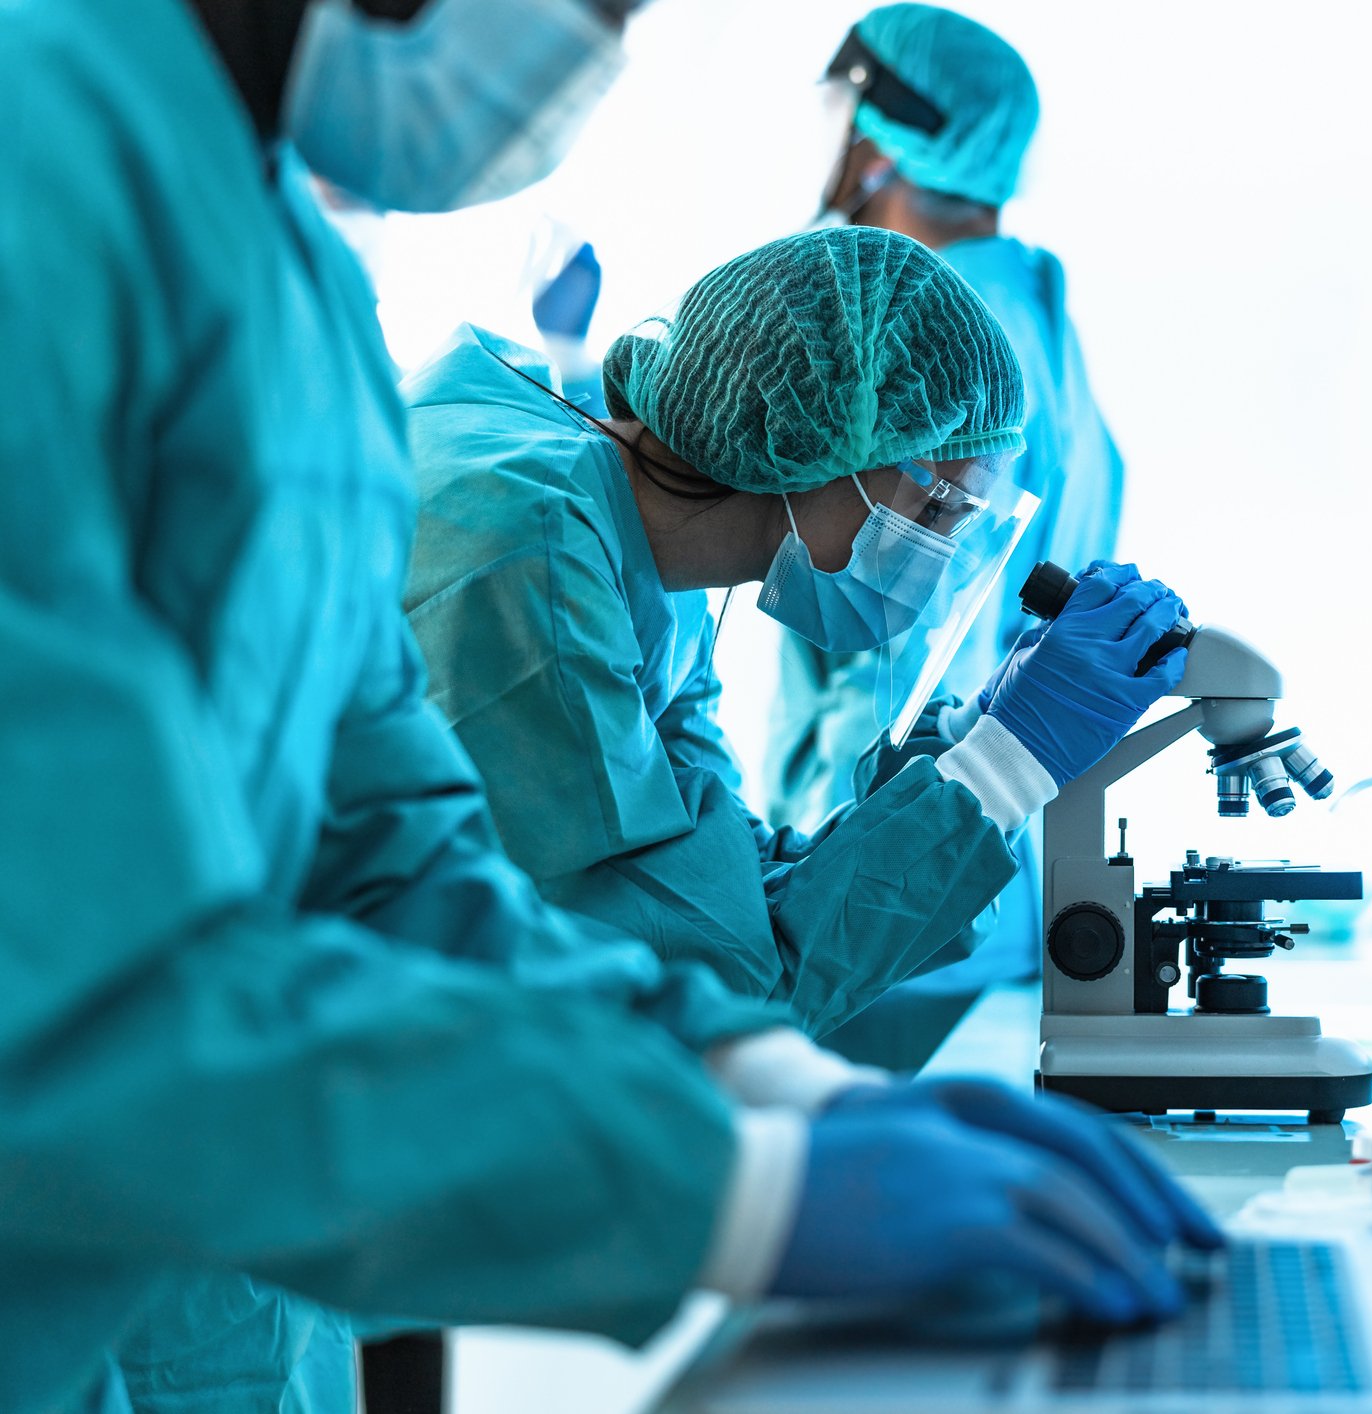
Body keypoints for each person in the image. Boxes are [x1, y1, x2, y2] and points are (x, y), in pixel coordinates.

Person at [0, 3, 1216, 1411]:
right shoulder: (50, 162)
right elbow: (75, 967)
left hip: (214, 1245)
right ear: (825, 441)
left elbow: (399, 852)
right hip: (142, 1205)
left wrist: (772, 1084)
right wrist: (741, 1194)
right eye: (937, 497)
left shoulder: (295, 279)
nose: (596, 47)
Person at [399, 225, 1188, 1038]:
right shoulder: (537, 560)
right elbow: (711, 996)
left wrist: (959, 745)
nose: (943, 561)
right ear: (816, 442)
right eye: (940, 510)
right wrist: (1002, 772)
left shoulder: (648, 573)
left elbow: (725, 889)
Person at [767, 5, 1132, 1063]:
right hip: (981, 863)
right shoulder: (1035, 309)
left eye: (839, 117)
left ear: (876, 142)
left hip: (889, 865)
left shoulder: (926, 332)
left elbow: (882, 625)